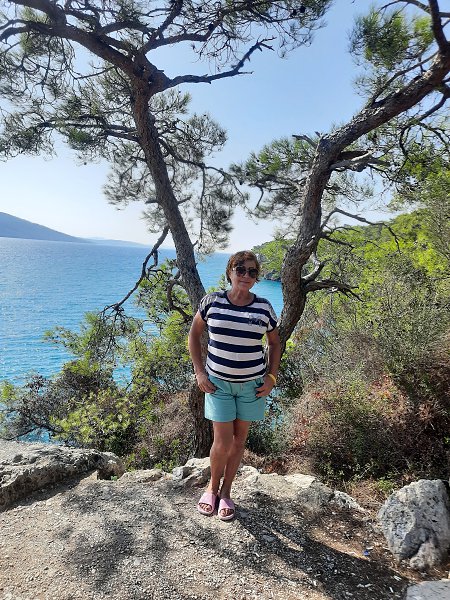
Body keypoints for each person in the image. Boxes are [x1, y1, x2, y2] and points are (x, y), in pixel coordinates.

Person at [188, 250, 281, 520]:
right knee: (222, 441)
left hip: (252, 386)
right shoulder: (212, 302)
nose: (246, 275)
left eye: (252, 271)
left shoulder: (263, 308)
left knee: (239, 442)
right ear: (230, 272)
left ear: (256, 277)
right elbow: (194, 335)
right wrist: (199, 373)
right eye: (240, 269)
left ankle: (227, 492)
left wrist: (271, 377)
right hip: (218, 385)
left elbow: (275, 343)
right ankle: (212, 488)